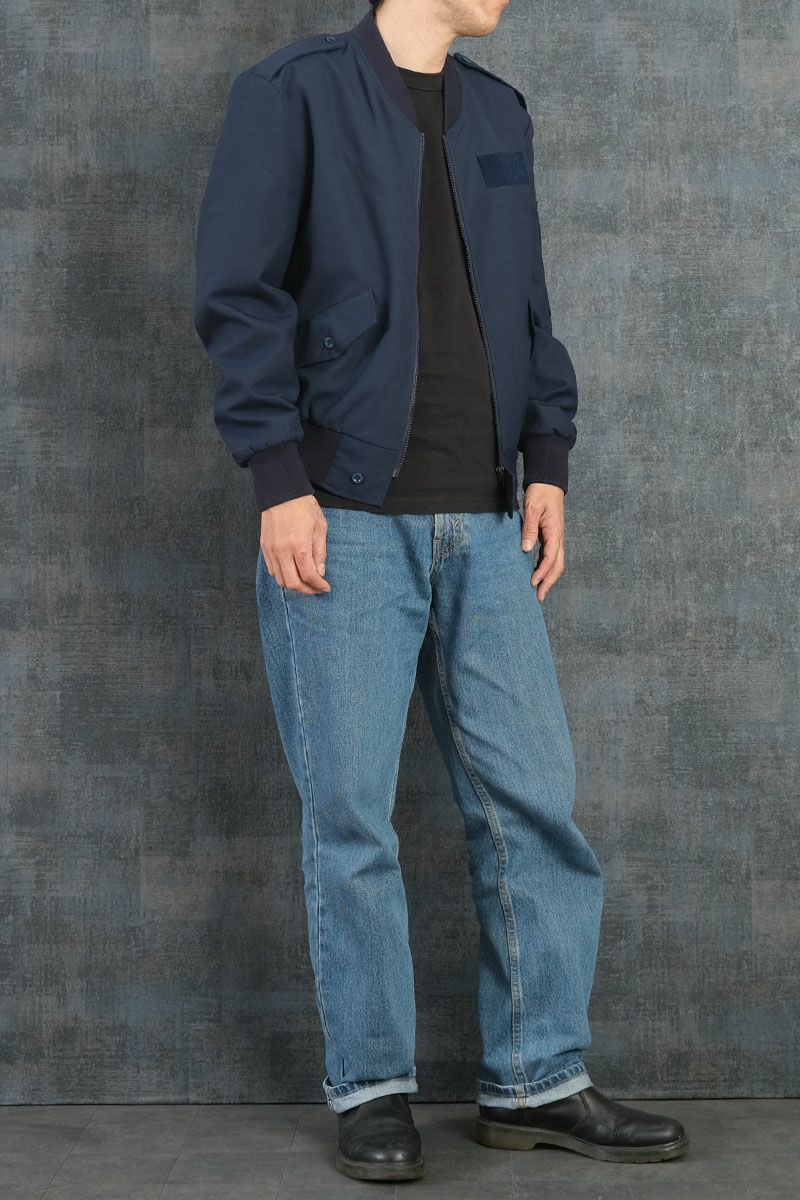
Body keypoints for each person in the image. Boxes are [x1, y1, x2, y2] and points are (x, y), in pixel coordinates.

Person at [193, 0, 689, 1182]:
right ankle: (371, 1088)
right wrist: (278, 478)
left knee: (533, 806)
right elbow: (239, 292)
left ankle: (536, 1079)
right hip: (342, 514)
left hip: (485, 515)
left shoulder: (497, 112)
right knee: (351, 820)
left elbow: (527, 305)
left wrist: (546, 458)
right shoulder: (292, 94)